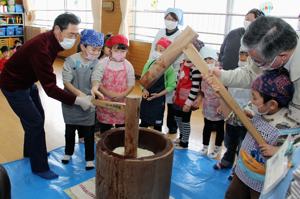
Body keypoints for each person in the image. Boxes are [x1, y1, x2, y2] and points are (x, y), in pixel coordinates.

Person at [0, 13, 94, 180]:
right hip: (13, 86)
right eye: (71, 34)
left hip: (27, 82)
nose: (74, 38)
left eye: (76, 34)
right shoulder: (41, 48)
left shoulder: (53, 41)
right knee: (35, 122)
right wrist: (77, 100)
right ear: (57, 29)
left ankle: (31, 153)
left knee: (38, 118)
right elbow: (50, 88)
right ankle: (40, 167)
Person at [205, 16, 300, 127]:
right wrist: (222, 75)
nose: (255, 64)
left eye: (259, 62)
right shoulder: (265, 53)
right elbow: (250, 73)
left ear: (282, 56)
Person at [225, 68, 296, 199]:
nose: (251, 101)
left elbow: (294, 152)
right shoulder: (254, 109)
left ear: (272, 104)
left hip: (262, 181)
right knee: (231, 195)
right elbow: (233, 120)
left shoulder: (287, 124)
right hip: (242, 170)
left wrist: (278, 151)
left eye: (254, 97)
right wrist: (239, 117)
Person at [61, 29, 104, 170]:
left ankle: (89, 158)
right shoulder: (71, 60)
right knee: (69, 129)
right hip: (71, 101)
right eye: (93, 49)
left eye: (99, 50)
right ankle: (68, 152)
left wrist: (95, 88)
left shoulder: (97, 63)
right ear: (83, 46)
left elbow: (96, 78)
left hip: (88, 101)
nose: (96, 53)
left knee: (89, 132)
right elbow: (67, 82)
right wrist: (81, 96)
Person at [214, 47, 250, 173]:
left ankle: (238, 169)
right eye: (241, 54)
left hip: (247, 117)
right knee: (230, 141)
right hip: (232, 115)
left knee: (243, 145)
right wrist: (222, 104)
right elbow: (229, 91)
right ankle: (227, 161)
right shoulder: (235, 72)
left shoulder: (256, 75)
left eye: (247, 55)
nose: (243, 57)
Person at [149, 7, 184, 135]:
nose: (169, 21)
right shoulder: (160, 32)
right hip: (157, 69)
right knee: (157, 98)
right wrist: (150, 66)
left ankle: (172, 125)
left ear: (178, 20)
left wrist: (175, 71)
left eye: (173, 19)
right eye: (167, 18)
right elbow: (153, 49)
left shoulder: (180, 35)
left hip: (171, 70)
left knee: (171, 100)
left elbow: (180, 55)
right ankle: (154, 121)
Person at [91, 34, 135, 133]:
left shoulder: (128, 66)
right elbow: (98, 80)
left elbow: (131, 84)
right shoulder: (102, 63)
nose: (119, 53)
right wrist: (109, 94)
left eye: (123, 51)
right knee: (105, 127)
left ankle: (118, 144)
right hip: (105, 100)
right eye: (116, 51)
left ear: (127, 51)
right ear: (110, 50)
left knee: (121, 128)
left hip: (121, 100)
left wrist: (121, 95)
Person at [140, 37, 176, 131]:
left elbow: (172, 85)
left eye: (161, 50)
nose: (158, 52)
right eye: (157, 49)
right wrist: (144, 89)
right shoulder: (149, 64)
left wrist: (159, 94)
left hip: (159, 99)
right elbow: (142, 79)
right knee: (143, 123)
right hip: (146, 96)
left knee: (157, 125)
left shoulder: (169, 68)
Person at [173, 41, 201, 149]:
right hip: (178, 98)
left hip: (187, 101)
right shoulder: (182, 63)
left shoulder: (195, 68)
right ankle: (181, 137)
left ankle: (185, 143)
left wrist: (188, 103)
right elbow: (178, 80)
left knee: (185, 121)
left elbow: (195, 88)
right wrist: (175, 93)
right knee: (177, 118)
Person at [199, 46, 224, 158]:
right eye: (206, 60)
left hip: (219, 106)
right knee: (207, 126)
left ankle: (217, 147)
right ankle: (205, 146)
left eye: (211, 59)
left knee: (219, 128)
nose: (208, 62)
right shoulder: (202, 73)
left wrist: (222, 104)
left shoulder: (221, 73)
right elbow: (202, 90)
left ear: (215, 60)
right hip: (207, 105)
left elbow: (225, 91)